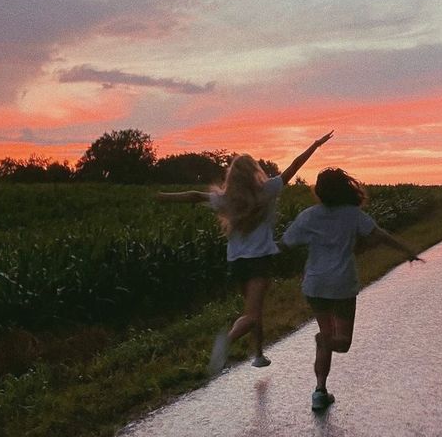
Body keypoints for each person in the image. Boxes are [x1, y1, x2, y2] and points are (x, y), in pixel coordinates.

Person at [158, 131, 333, 373]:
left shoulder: (225, 198)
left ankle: (259, 354)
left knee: (253, 310)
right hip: (259, 261)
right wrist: (315, 144)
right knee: (251, 315)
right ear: (254, 172)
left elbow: (194, 196)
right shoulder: (269, 189)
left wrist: (163, 197)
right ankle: (226, 342)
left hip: (236, 263)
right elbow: (294, 166)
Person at [280, 167, 424, 411]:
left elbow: (284, 244)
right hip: (342, 284)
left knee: (327, 334)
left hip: (314, 284)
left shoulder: (308, 216)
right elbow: (379, 235)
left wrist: (253, 251)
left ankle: (319, 391)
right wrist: (406, 250)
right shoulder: (352, 215)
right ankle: (322, 350)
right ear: (345, 188)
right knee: (341, 343)